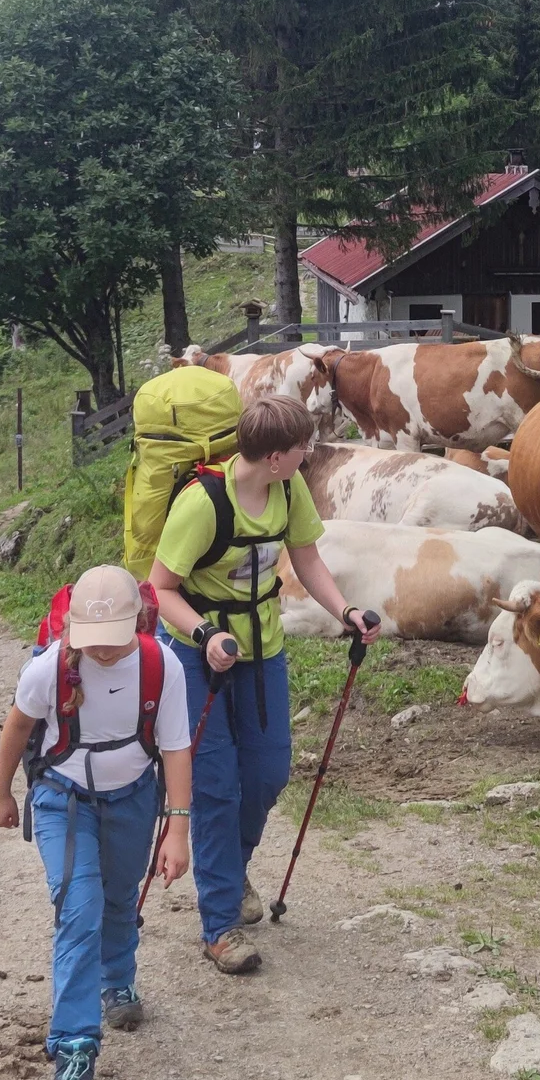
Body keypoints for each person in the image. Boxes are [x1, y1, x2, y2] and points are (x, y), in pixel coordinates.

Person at [145, 391, 379, 976]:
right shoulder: (202, 504)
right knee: (217, 785)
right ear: (274, 457)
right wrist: (205, 636)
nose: (310, 454)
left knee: (269, 771)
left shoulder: (287, 488)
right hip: (199, 658)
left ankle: (228, 868)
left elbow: (307, 559)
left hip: (262, 649)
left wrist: (345, 611)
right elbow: (161, 589)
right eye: (303, 448)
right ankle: (220, 926)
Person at [0, 565, 193, 1080]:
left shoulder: (161, 664)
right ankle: (75, 1047)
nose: (102, 651)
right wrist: (0, 794)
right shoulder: (47, 668)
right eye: (91, 641)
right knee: (79, 910)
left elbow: (175, 747)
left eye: (114, 640)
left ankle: (118, 980)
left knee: (121, 897)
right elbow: (18, 727)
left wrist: (178, 827)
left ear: (140, 622)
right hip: (64, 800)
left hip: (133, 797)